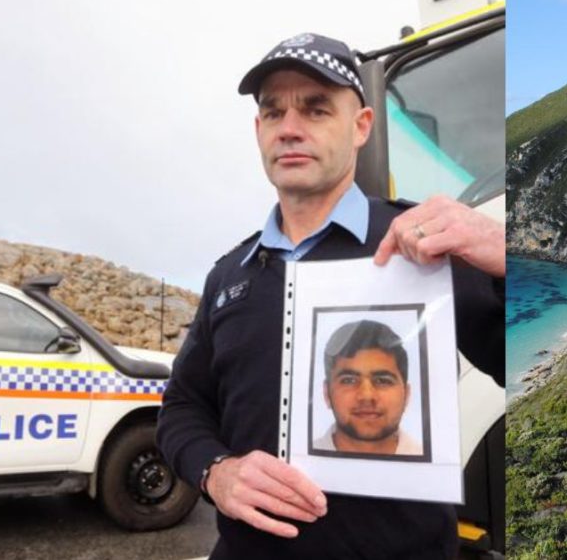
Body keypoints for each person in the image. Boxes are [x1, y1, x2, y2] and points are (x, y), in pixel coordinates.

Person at [156, 32, 504, 559]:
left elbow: (535, 363)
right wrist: (216, 472)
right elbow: (181, 407)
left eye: (316, 109)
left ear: (361, 126)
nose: (290, 129)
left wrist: (510, 258)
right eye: (274, 113)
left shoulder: (425, 245)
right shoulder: (230, 275)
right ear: (258, 131)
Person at [314, 319, 423, 456]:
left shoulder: (439, 469)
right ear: (326, 393)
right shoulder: (296, 463)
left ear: (406, 395)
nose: (366, 396)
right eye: (349, 380)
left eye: (382, 380)